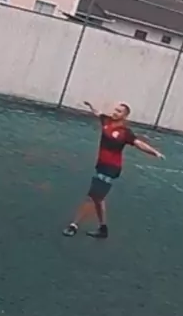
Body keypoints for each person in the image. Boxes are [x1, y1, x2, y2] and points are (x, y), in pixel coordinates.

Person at [62, 101, 164, 239]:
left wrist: (154, 152)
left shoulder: (125, 132)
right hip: (101, 165)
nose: (115, 112)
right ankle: (103, 229)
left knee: (91, 197)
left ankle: (73, 225)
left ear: (125, 116)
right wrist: (91, 105)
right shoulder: (106, 120)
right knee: (99, 199)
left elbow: (138, 143)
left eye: (119, 111)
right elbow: (98, 113)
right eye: (115, 110)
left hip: (111, 168)